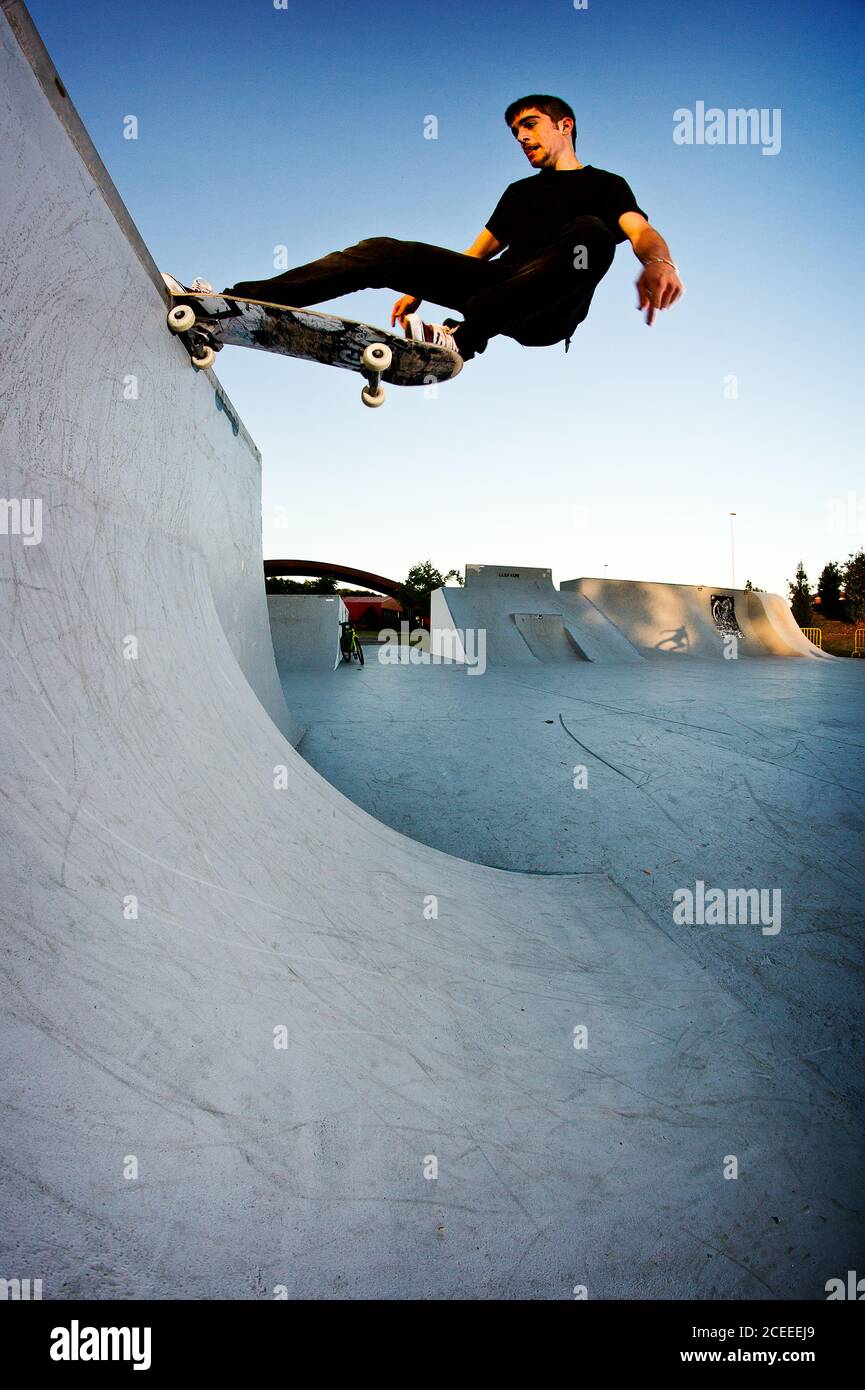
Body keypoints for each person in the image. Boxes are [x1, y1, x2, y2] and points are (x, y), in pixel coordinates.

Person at [220, 93, 683, 363]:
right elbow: (475, 256)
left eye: (530, 125)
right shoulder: (519, 192)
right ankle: (243, 300)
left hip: (548, 308)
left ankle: (461, 340)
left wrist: (659, 263)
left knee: (594, 234)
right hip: (496, 288)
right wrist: (419, 285)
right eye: (515, 133)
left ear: (565, 125)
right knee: (382, 250)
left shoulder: (605, 184)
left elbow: (640, 232)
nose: (522, 138)